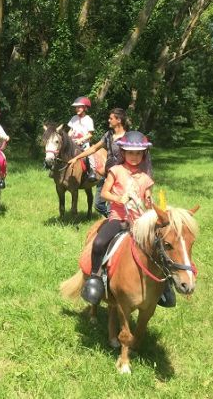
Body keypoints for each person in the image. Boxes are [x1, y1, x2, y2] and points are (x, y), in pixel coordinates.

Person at [80, 131, 155, 306]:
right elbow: (105, 193)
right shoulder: (116, 171)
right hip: (118, 219)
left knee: (159, 246)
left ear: (143, 154)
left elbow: (148, 200)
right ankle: (95, 278)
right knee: (99, 243)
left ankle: (163, 287)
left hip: (139, 223)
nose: (134, 157)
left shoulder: (145, 178)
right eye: (130, 153)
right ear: (123, 153)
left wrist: (150, 203)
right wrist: (118, 199)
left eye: (138, 153)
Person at [68, 108, 134, 217]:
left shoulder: (128, 138)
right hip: (106, 174)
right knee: (98, 204)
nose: (108, 120)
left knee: (114, 204)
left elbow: (134, 158)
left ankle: (117, 222)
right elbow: (94, 148)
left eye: (111, 118)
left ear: (119, 120)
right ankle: (113, 219)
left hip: (121, 176)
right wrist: (77, 158)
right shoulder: (108, 135)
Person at [67, 96, 97, 181]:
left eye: (79, 107)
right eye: (76, 107)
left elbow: (90, 134)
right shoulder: (74, 118)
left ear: (84, 108)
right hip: (73, 142)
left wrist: (81, 140)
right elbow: (71, 130)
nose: (77, 109)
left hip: (84, 143)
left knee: (89, 154)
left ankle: (92, 171)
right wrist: (69, 135)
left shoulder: (88, 119)